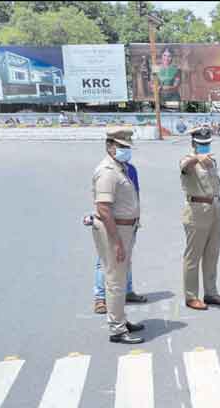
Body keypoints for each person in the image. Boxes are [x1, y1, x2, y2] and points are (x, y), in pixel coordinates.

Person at [91, 128, 145, 344]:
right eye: (121, 147)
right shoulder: (107, 171)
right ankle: (116, 329)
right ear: (109, 146)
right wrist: (116, 242)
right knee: (114, 280)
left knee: (120, 279)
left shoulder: (120, 167)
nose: (125, 150)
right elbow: (103, 208)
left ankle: (121, 320)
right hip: (113, 230)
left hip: (125, 228)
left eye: (127, 147)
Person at [180, 126, 220, 310]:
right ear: (193, 144)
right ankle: (191, 296)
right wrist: (196, 158)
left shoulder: (212, 161)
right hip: (196, 210)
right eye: (201, 144)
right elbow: (184, 168)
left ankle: (211, 292)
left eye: (207, 144)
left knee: (212, 253)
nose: (204, 147)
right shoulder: (187, 160)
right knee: (193, 255)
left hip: (215, 208)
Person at [93, 160, 147, 314]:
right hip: (112, 225)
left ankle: (127, 291)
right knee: (104, 263)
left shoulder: (131, 170)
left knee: (126, 259)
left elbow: (135, 195)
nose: (125, 148)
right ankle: (100, 298)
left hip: (129, 224)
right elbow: (102, 204)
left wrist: (136, 219)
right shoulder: (106, 171)